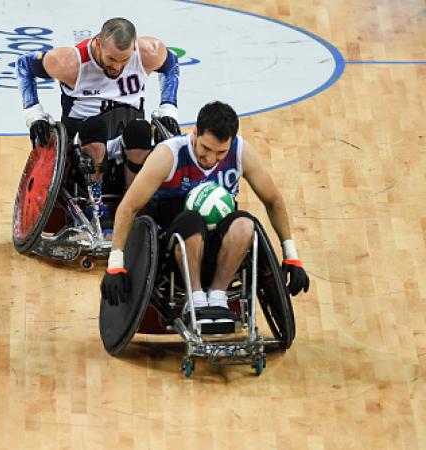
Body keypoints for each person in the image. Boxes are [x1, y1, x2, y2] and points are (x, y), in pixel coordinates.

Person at [100, 101, 310, 330]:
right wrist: (115, 263)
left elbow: (273, 200)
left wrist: (291, 255)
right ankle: (196, 299)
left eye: (221, 152)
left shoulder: (240, 152)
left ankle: (218, 297)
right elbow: (128, 207)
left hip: (219, 246)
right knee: (192, 220)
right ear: (195, 133)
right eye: (205, 149)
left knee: (244, 223)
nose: (211, 158)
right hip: (173, 247)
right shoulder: (169, 154)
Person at [17, 17, 181, 220]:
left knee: (141, 131)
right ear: (98, 44)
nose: (118, 67)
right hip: (83, 139)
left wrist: (168, 108)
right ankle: (93, 201)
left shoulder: (149, 52)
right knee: (96, 129)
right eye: (112, 59)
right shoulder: (70, 62)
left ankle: (134, 200)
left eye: (124, 60)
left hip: (126, 137)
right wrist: (35, 115)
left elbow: (170, 65)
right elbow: (24, 65)